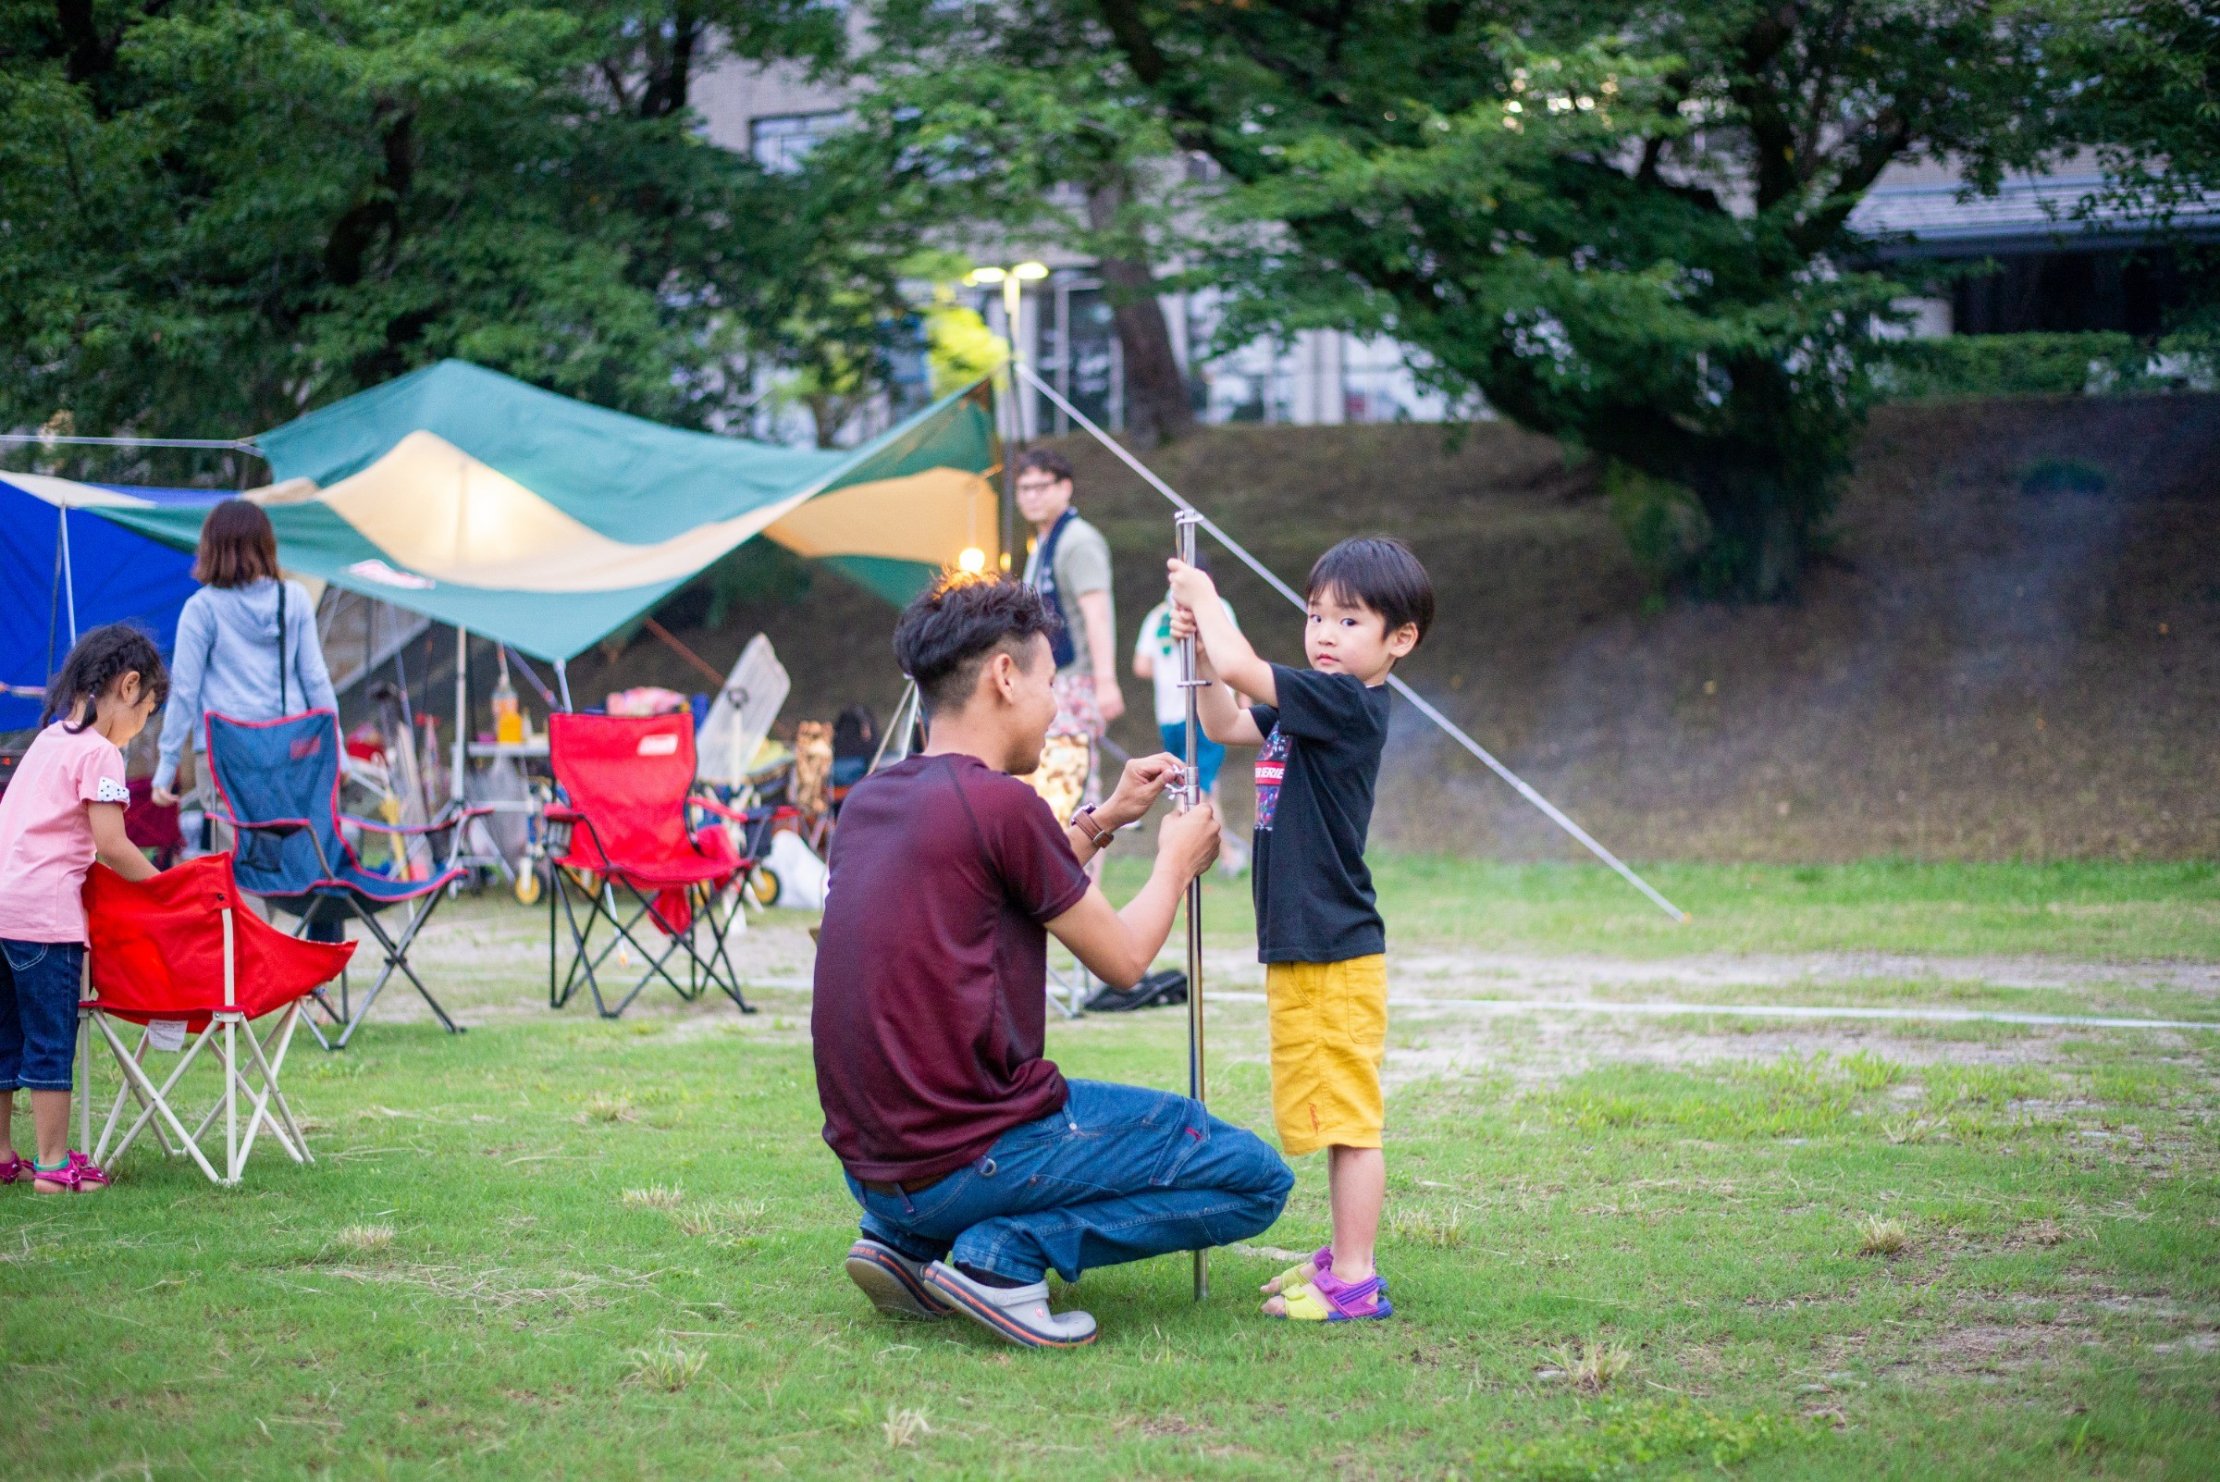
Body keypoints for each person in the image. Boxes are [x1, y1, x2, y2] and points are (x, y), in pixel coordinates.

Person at [812, 576, 1293, 1349]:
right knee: (1254, 1178)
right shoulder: (1002, 804)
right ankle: (1003, 1259)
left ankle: (905, 1245)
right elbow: (1126, 961)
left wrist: (1103, 823)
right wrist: (1176, 860)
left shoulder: (873, 798)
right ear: (1005, 677)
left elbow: (997, 888)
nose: (1056, 706)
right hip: (970, 1156)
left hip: (874, 1170)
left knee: (966, 1170)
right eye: (1048, 684)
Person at [1169, 535, 1434, 1324]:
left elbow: (1249, 670)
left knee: (1349, 1119)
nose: (1324, 633)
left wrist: (1212, 605)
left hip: (1333, 947)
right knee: (1326, 1109)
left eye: (1349, 621)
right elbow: (1223, 716)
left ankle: (1354, 1278)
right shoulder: (1311, 702)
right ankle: (1339, 1256)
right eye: (1315, 615)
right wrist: (1199, 648)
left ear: (1399, 641)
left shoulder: (1349, 703)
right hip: (1302, 945)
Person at [0, 625, 167, 1194]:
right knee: (50, 1044)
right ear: (128, 686)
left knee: (3, 1041)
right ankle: (52, 1164)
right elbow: (113, 844)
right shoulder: (99, 753)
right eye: (145, 712)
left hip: (2, 908)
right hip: (45, 921)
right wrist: (165, 888)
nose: (139, 728)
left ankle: (3, 1156)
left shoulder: (45, 741)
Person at [149, 499, 339, 812]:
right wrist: (338, 752)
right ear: (266, 545)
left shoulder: (202, 609)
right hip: (288, 749)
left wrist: (167, 765)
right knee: (288, 850)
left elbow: (185, 690)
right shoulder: (294, 599)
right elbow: (315, 679)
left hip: (226, 754)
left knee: (235, 854)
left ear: (211, 548)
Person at [1014, 449, 1123, 812]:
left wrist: (1105, 682)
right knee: (1048, 790)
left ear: (1065, 488)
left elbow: (1098, 614)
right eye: (1024, 488)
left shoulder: (1078, 540)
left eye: (1041, 486)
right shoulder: (1044, 542)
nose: (1031, 496)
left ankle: (1082, 870)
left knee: (1075, 792)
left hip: (1077, 681)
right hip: (1051, 681)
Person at [1132, 559, 1247, 875]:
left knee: (1207, 786)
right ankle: (1171, 862)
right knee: (1194, 789)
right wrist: (1243, 698)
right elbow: (1233, 654)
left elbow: (1141, 665)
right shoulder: (1216, 607)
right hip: (1205, 711)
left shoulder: (1157, 615)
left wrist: (1168, 666)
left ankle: (1229, 857)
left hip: (1169, 714)